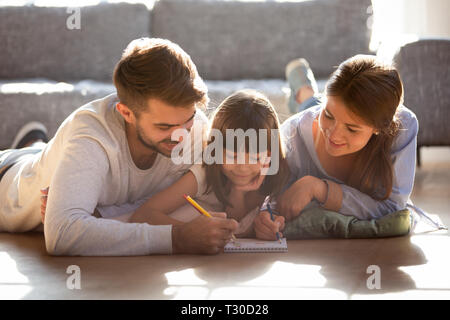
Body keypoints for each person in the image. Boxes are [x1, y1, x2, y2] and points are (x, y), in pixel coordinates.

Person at [0, 37, 238, 255]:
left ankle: (34, 141)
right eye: (164, 127)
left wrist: (101, 218)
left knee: (44, 155)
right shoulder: (91, 135)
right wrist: (176, 237)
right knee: (37, 163)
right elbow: (62, 234)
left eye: (187, 121)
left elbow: (207, 196)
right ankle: (32, 144)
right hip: (7, 180)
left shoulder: (194, 127)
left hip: (45, 160)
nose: (181, 137)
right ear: (126, 113)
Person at [42, 89, 290, 239]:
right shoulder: (203, 174)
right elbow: (144, 214)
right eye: (232, 155)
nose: (243, 167)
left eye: (255, 156)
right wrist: (190, 233)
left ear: (271, 152)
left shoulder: (279, 177)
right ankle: (34, 141)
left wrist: (268, 226)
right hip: (122, 222)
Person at [254, 54, 424, 240]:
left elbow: (393, 208)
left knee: (312, 107)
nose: (334, 135)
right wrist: (264, 216)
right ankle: (305, 93)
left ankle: (306, 94)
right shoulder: (293, 136)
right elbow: (267, 197)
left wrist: (320, 188)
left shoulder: (401, 127)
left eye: (351, 129)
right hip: (309, 115)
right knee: (309, 106)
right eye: (328, 114)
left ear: (379, 128)